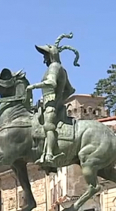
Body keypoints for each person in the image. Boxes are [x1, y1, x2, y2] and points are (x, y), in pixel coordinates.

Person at [24, 33, 80, 165]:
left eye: (45, 56)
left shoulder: (54, 67)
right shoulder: (61, 69)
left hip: (51, 105)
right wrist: (60, 99)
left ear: (51, 55)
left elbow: (52, 83)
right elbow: (70, 90)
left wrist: (32, 87)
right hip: (50, 103)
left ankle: (49, 154)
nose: (44, 59)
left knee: (49, 126)